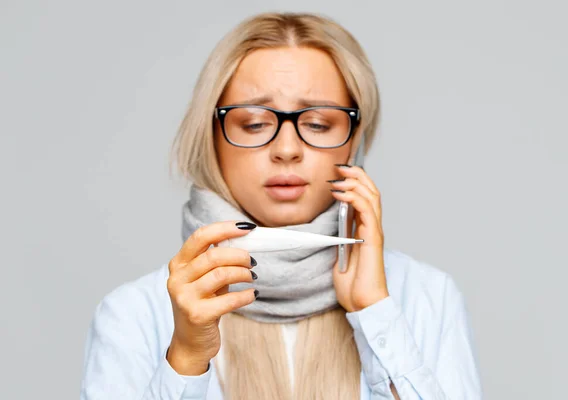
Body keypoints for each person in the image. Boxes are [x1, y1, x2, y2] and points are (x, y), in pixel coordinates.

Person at [80, 12, 482, 400]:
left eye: (319, 123)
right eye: (254, 123)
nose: (287, 149)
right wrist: (185, 357)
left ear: (354, 136)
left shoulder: (427, 297)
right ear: (211, 135)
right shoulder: (134, 313)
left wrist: (374, 311)